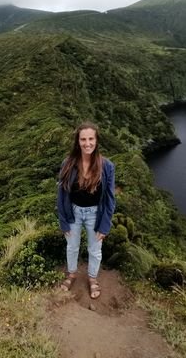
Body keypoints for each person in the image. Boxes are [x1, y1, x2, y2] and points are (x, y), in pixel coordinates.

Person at [57, 122, 116, 299]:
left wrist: (105, 225)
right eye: (83, 139)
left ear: (96, 141)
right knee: (72, 247)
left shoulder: (107, 166)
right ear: (78, 141)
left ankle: (92, 278)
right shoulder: (68, 163)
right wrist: (63, 220)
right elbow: (61, 194)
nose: (87, 143)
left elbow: (109, 198)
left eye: (91, 139)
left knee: (95, 249)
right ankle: (72, 274)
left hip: (95, 213)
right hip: (73, 212)